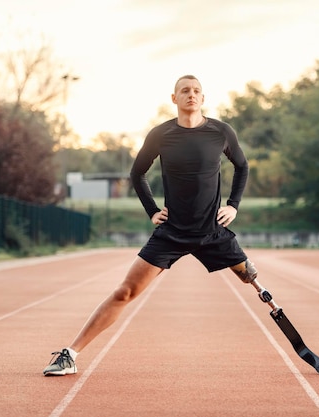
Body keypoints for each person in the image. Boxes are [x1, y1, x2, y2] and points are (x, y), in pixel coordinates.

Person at [43, 74, 259, 376]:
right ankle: (70, 354)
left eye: (196, 91)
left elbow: (243, 165)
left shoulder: (221, 132)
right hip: (172, 233)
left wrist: (233, 206)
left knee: (252, 278)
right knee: (125, 292)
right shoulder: (161, 134)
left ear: (203, 98)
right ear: (174, 98)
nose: (191, 95)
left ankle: (299, 342)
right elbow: (137, 173)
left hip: (213, 231)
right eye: (185, 91)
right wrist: (152, 211)